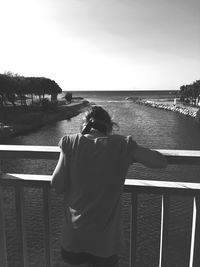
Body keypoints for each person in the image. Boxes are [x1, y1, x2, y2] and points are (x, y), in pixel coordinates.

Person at [51, 105, 167, 267]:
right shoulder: (122, 145)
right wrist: (132, 146)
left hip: (73, 239)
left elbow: (57, 186)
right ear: (110, 127)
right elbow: (160, 162)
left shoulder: (70, 142)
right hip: (105, 243)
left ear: (83, 126)